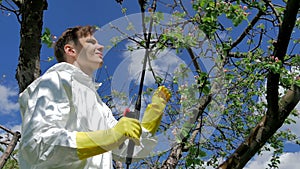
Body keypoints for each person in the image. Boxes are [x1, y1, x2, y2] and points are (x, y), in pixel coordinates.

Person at [18, 25, 171, 169]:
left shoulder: (100, 106)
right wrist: (110, 136)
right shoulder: (55, 80)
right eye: (91, 42)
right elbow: (37, 146)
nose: (101, 47)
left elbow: (127, 151)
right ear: (71, 50)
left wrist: (153, 116)